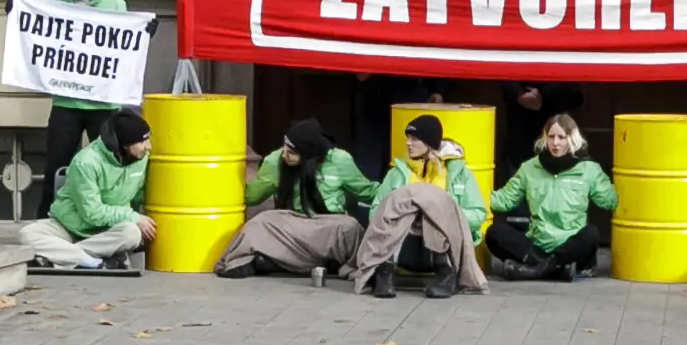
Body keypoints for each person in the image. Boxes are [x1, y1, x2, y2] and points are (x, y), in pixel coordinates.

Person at [347, 113, 487, 298]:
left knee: (436, 209)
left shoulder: (459, 174)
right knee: (402, 209)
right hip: (404, 247)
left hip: (441, 249)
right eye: (407, 138)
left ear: (430, 143)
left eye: (414, 139)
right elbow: (376, 212)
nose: (408, 143)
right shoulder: (396, 173)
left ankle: (446, 275)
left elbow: (478, 214)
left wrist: (446, 216)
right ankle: (384, 274)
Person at [217, 113, 373, 278]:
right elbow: (252, 196)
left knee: (351, 227)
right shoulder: (276, 160)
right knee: (259, 223)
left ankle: (283, 263)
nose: (284, 155)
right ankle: (245, 263)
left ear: (308, 156)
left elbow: (367, 191)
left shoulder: (339, 160)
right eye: (284, 148)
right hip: (291, 225)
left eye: (291, 152)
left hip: (326, 227)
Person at [32, 0, 135, 180]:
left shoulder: (114, 1)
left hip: (103, 101)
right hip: (66, 99)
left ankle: (107, 213)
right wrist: (17, 11)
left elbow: (126, 43)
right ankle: (51, 213)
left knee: (109, 165)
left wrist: (143, 33)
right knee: (57, 164)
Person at [484, 110, 615, 281]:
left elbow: (610, 201)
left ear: (572, 139)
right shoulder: (529, 168)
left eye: (562, 137)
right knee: (495, 233)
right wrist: (471, 196)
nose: (555, 143)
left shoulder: (589, 169)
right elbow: (504, 200)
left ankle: (535, 268)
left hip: (570, 244)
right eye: (551, 136)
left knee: (591, 234)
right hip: (537, 244)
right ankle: (552, 268)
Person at [29, 105, 152, 270]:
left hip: (108, 231)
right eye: (143, 141)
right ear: (124, 144)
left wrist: (137, 219)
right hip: (69, 226)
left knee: (132, 234)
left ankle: (64, 259)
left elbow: (141, 196)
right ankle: (93, 259)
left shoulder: (142, 158)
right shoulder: (86, 162)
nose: (148, 146)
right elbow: (91, 213)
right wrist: (134, 217)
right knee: (28, 235)